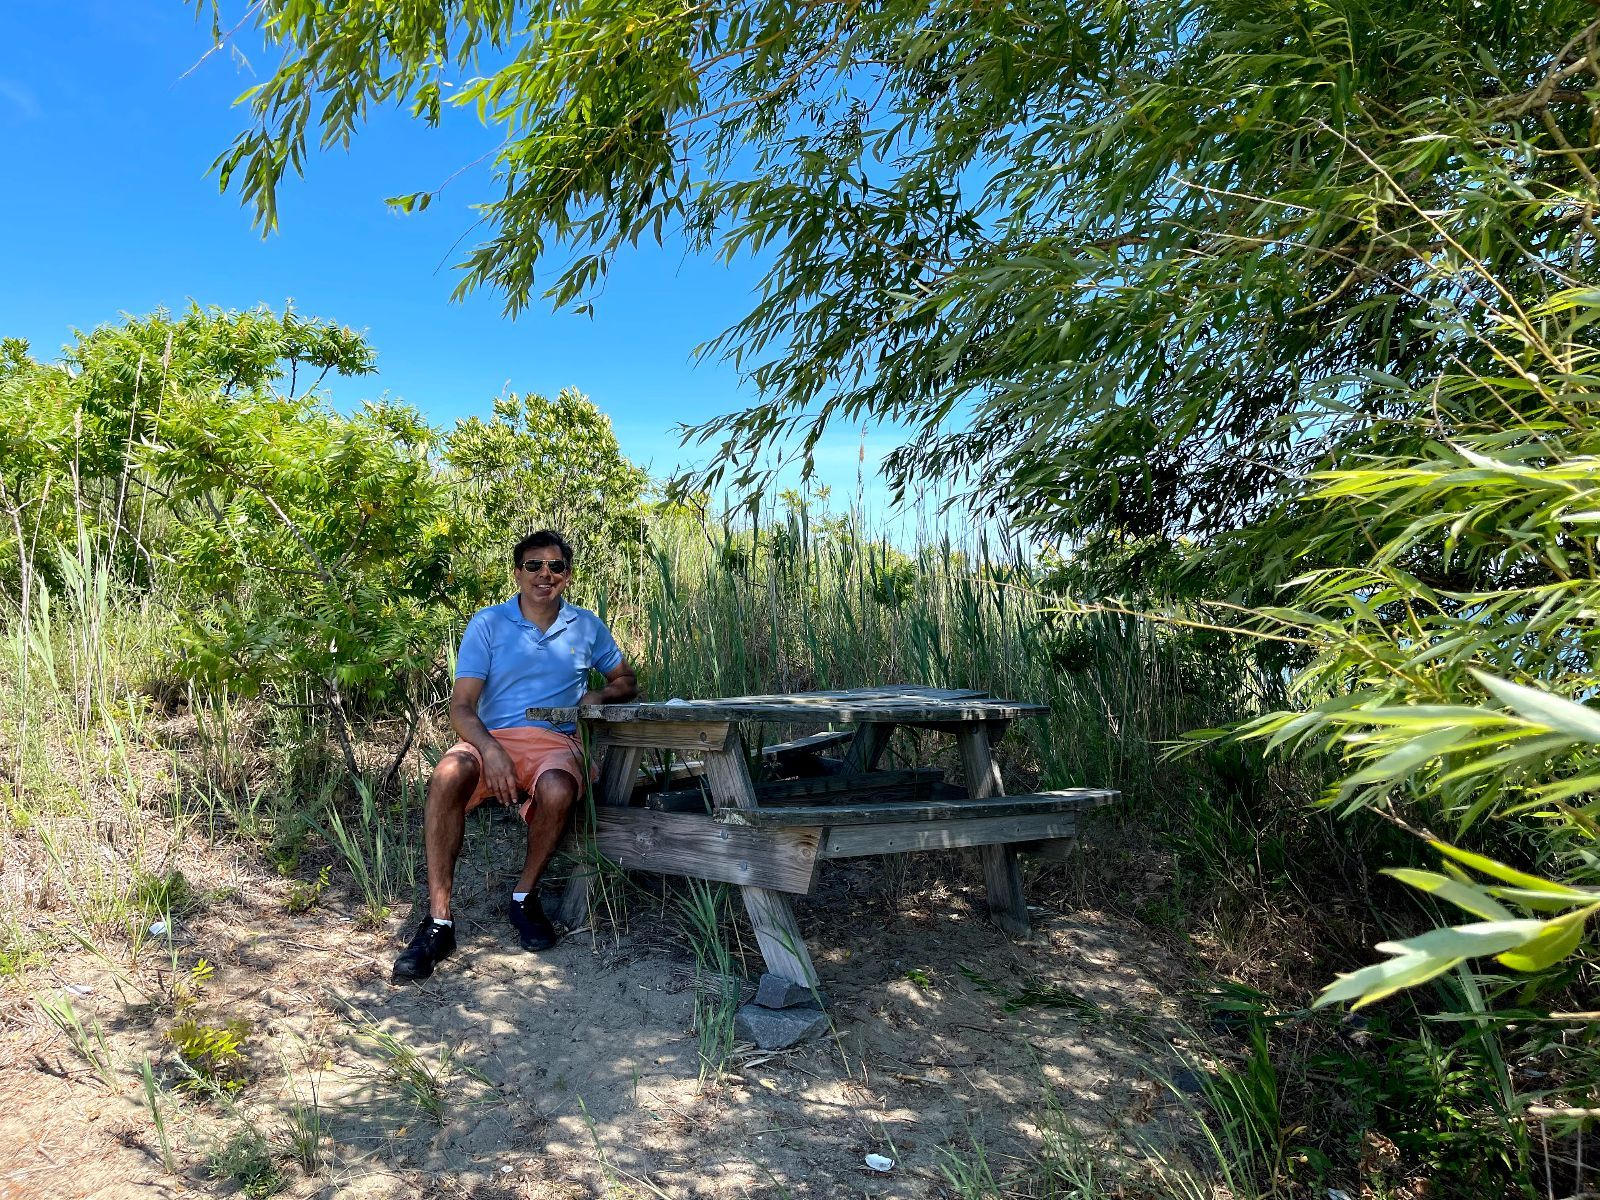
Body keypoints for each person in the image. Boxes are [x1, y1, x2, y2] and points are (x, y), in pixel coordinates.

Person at [392, 530, 638, 982]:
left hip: (554, 740)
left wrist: (601, 694)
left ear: (567, 575)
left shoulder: (586, 625)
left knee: (558, 789)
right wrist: (490, 749)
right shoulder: (489, 623)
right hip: (493, 737)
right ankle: (439, 923)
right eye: (534, 565)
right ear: (517, 573)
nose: (545, 574)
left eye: (556, 566)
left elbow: (626, 679)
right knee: (448, 773)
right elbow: (461, 706)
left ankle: (524, 897)